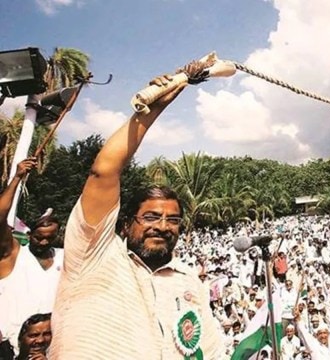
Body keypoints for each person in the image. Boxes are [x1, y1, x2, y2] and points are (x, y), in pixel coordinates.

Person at [49, 73, 232, 358]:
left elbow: (210, 353)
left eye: (172, 221)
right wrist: (154, 109)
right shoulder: (93, 256)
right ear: (124, 224)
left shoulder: (188, 279)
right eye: (150, 217)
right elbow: (104, 171)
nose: (162, 227)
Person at [0, 158, 61, 350]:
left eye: (49, 238)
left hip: (51, 348)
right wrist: (17, 177)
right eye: (39, 237)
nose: (44, 242)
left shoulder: (64, 257)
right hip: (11, 348)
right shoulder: (14, 254)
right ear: (29, 234)